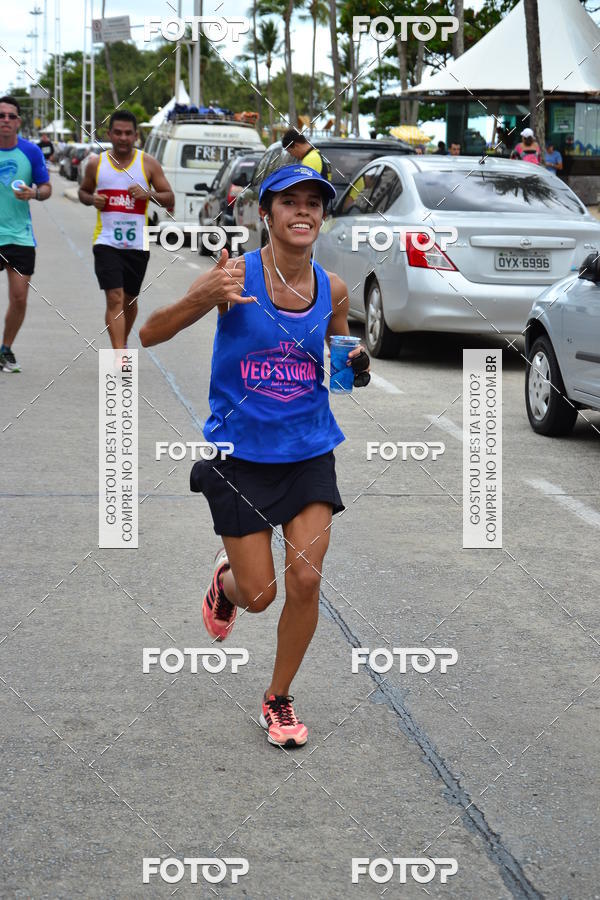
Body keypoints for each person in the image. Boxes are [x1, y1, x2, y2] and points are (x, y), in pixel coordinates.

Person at [139, 164, 371, 749]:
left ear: (322, 216)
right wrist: (202, 296)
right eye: (289, 202)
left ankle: (278, 698)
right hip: (239, 455)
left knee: (306, 579)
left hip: (309, 449)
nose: (303, 211)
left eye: (313, 203)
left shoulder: (333, 288)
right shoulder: (234, 275)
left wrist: (357, 365)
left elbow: (341, 364)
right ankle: (227, 583)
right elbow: (149, 333)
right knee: (260, 596)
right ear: (265, 214)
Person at [78, 110, 174, 349]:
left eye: (128, 133)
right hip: (106, 242)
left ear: (136, 135)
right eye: (118, 133)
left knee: (129, 301)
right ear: (109, 134)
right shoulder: (96, 164)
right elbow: (83, 192)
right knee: (114, 297)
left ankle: (122, 342)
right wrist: (92, 199)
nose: (123, 138)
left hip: (137, 245)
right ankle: (119, 355)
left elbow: (169, 198)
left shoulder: (148, 164)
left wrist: (148, 194)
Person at [0, 95, 51, 373]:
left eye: (11, 116)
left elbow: (46, 187)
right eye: (1, 116)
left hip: (20, 236)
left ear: (18, 121)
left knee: (19, 298)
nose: (6, 120)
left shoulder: (31, 152)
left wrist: (34, 193)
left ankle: (5, 349)